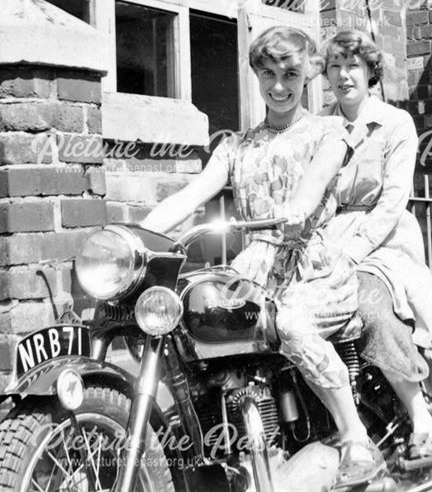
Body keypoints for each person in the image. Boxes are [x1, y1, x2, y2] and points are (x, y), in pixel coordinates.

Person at [141, 26, 384, 488]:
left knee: (289, 323)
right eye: (268, 73)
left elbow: (317, 179)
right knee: (193, 326)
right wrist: (139, 235)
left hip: (312, 268)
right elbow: (190, 196)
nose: (279, 85)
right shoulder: (236, 146)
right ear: (256, 74)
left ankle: (355, 438)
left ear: (308, 75)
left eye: (290, 74)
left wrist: (299, 208)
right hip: (256, 268)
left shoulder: (329, 132)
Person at [321, 29, 432, 458]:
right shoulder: (320, 125)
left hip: (384, 239)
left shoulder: (395, 123)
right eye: (334, 66)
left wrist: (353, 251)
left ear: (370, 71)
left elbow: (392, 202)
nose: (343, 75)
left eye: (352, 65)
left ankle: (419, 414)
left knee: (367, 303)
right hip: (328, 239)